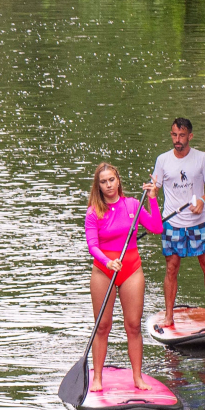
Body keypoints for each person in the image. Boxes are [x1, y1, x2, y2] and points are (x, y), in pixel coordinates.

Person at [152, 117, 205, 330]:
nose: (177, 140)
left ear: (190, 136)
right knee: (171, 268)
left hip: (199, 222)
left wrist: (203, 200)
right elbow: (155, 187)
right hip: (173, 223)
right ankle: (169, 315)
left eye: (181, 135)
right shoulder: (162, 160)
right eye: (174, 135)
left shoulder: (202, 158)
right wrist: (151, 192)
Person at [85, 163, 163, 388]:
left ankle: (137, 377)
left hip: (131, 270)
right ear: (98, 186)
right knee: (103, 326)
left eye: (111, 180)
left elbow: (156, 228)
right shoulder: (93, 212)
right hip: (104, 270)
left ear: (118, 181)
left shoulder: (133, 205)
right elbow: (92, 246)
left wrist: (153, 199)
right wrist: (107, 261)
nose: (108, 185)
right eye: (103, 182)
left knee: (133, 325)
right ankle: (97, 378)